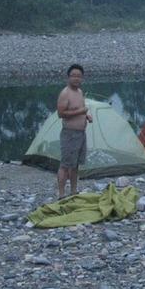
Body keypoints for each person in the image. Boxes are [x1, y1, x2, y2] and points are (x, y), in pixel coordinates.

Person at [56, 63, 92, 198]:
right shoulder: (65, 93)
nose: (76, 79)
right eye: (73, 76)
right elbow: (61, 113)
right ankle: (61, 194)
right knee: (65, 165)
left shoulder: (79, 92)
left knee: (75, 164)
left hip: (81, 134)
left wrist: (86, 116)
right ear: (68, 77)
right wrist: (81, 111)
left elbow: (79, 110)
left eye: (79, 76)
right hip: (69, 134)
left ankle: (73, 191)